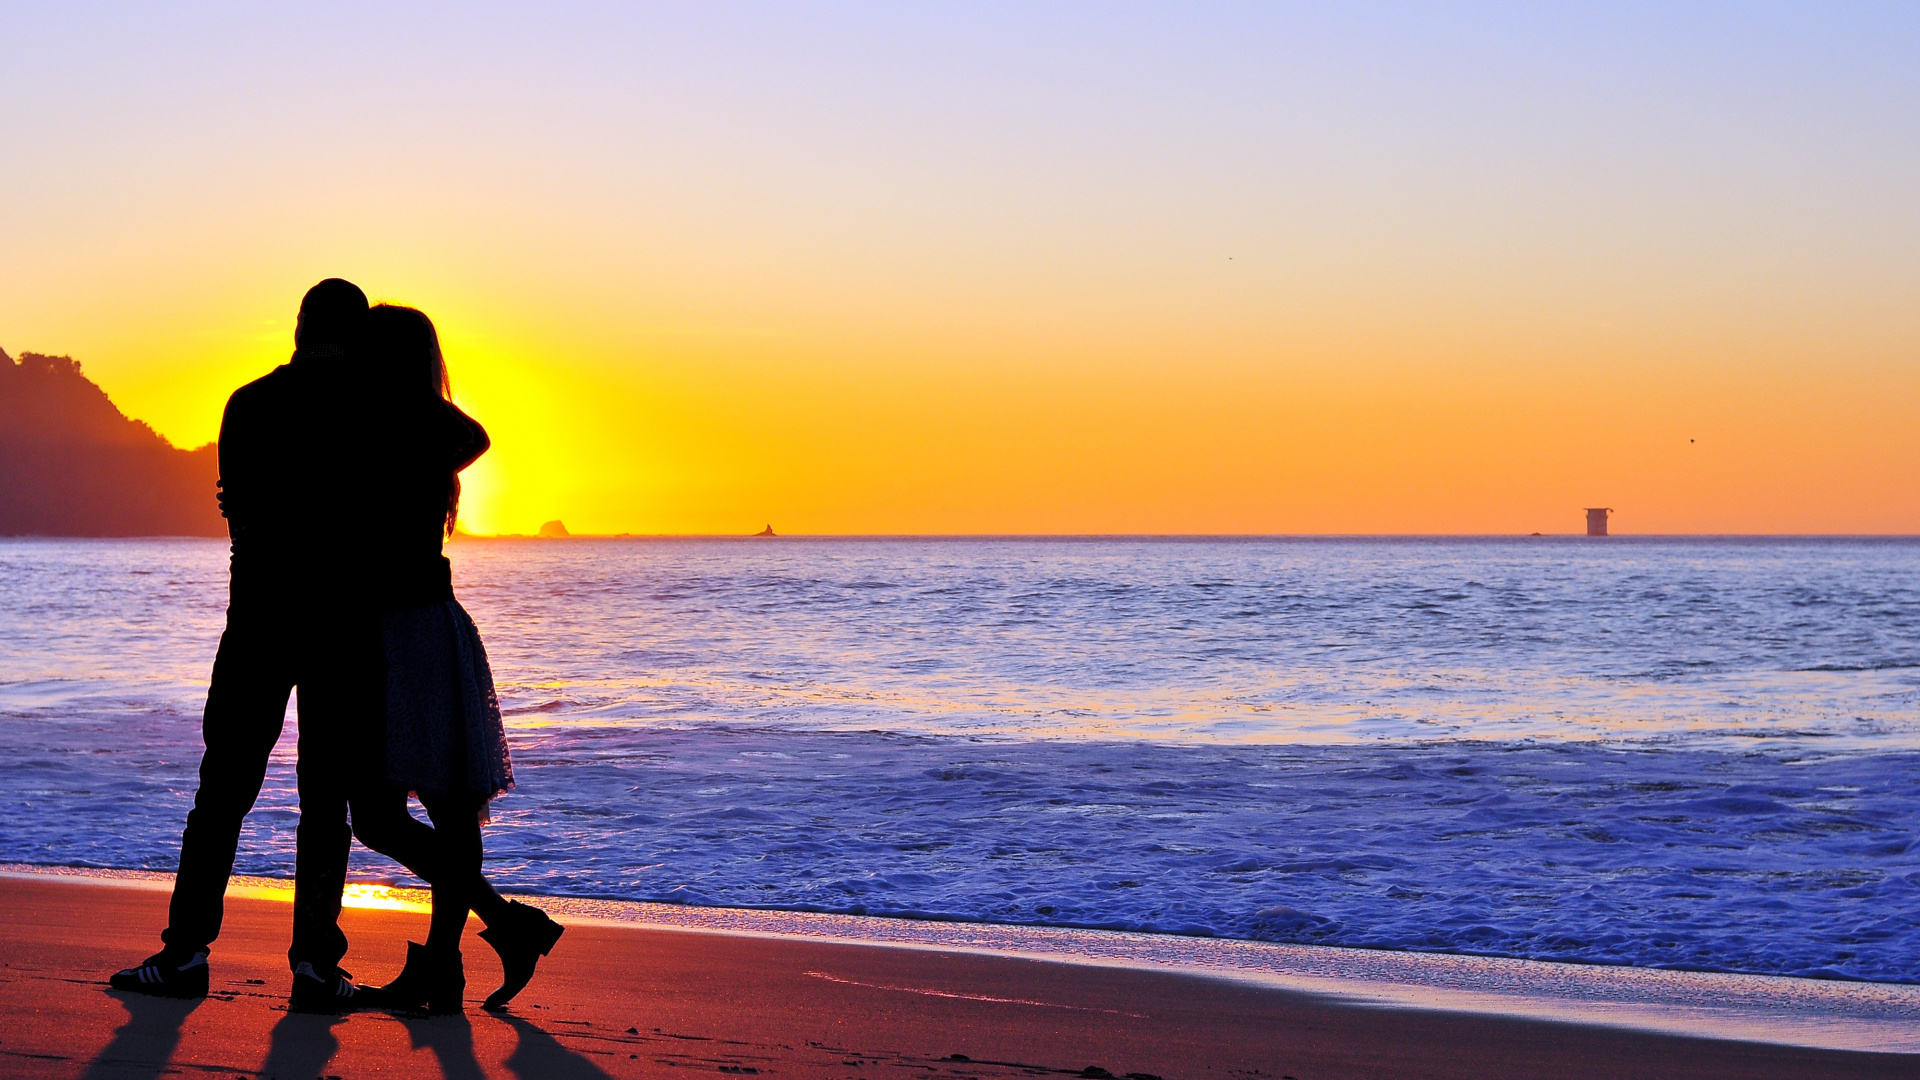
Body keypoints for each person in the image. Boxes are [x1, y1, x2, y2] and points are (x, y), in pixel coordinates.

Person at [111, 279, 384, 1010]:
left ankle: (185, 955)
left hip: (258, 618)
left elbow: (238, 512)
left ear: (297, 326)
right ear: (359, 334)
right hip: (340, 628)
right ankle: (315, 969)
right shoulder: (372, 407)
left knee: (222, 792)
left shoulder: (250, 403)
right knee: (325, 805)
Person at [334, 303, 563, 1013]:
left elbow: (472, 432)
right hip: (405, 630)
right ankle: (496, 928)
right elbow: (466, 432)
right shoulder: (404, 431)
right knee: (403, 812)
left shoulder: (397, 431)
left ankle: (451, 960)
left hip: (408, 632)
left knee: (420, 807)